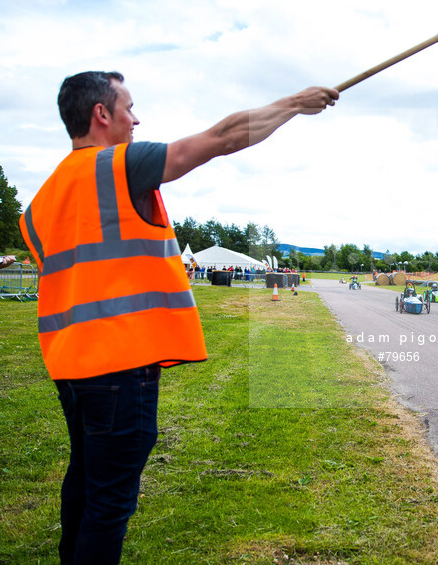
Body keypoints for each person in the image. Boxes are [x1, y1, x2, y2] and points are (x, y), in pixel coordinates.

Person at [18, 71, 337, 564]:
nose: (137, 119)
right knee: (109, 505)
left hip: (70, 366)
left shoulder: (40, 202)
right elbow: (221, 139)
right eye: (129, 107)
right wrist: (296, 102)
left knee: (84, 480)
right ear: (102, 114)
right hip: (121, 366)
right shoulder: (119, 164)